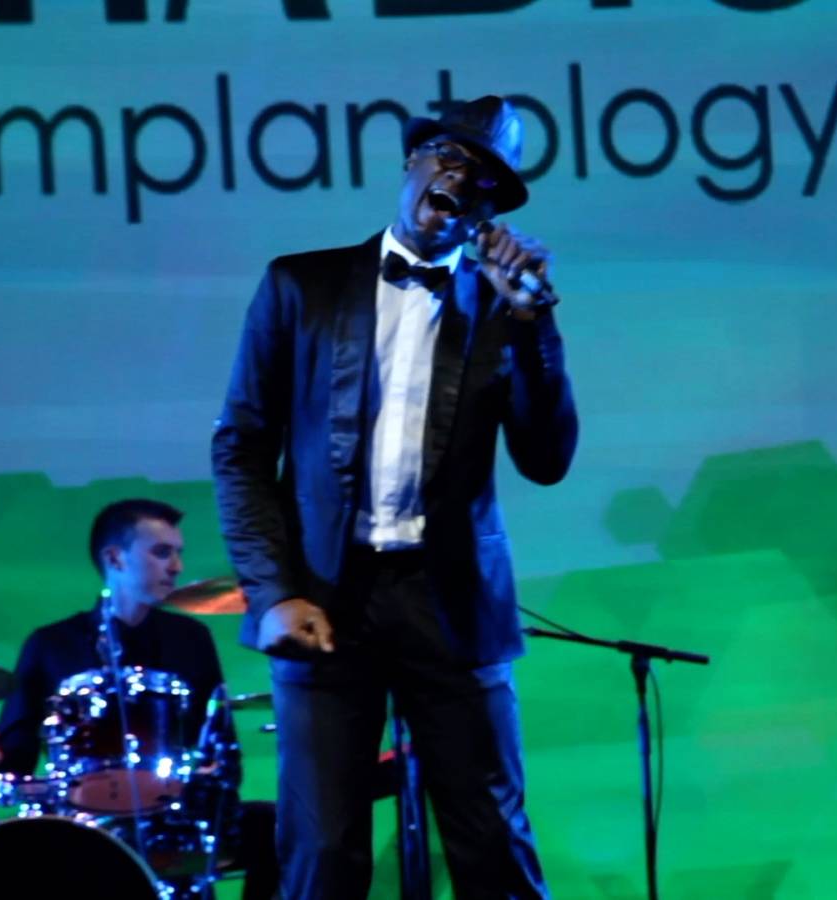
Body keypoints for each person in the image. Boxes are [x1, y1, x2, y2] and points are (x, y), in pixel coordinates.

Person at [211, 94, 576, 899]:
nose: (462, 181)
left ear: (490, 211)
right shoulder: (302, 286)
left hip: (453, 605)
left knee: (493, 844)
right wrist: (273, 591)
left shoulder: (503, 309)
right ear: (412, 163)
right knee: (321, 851)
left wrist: (534, 326)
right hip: (324, 597)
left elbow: (547, 460)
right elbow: (241, 447)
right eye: (451, 158)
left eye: (485, 179)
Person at [0, 498, 278, 899]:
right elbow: (12, 773)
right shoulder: (51, 645)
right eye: (162, 552)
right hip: (84, 829)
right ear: (115, 558)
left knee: (279, 828)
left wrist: (209, 778)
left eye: (178, 553)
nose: (177, 566)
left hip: (175, 821)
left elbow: (223, 752)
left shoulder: (191, 639)